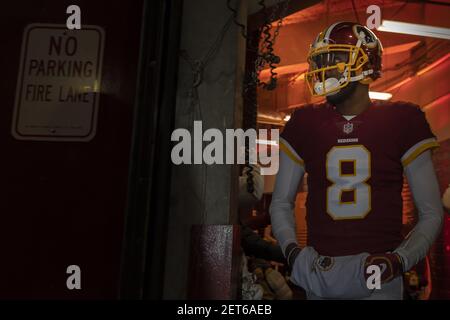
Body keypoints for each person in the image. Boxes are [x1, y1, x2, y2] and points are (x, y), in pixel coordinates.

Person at [269, 21, 444, 300]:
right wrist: (293, 252)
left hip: (377, 271)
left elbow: (432, 211)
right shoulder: (304, 122)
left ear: (365, 62)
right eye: (321, 61)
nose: (324, 70)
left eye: (335, 59)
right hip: (319, 270)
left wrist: (398, 260)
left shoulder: (402, 120)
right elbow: (280, 202)